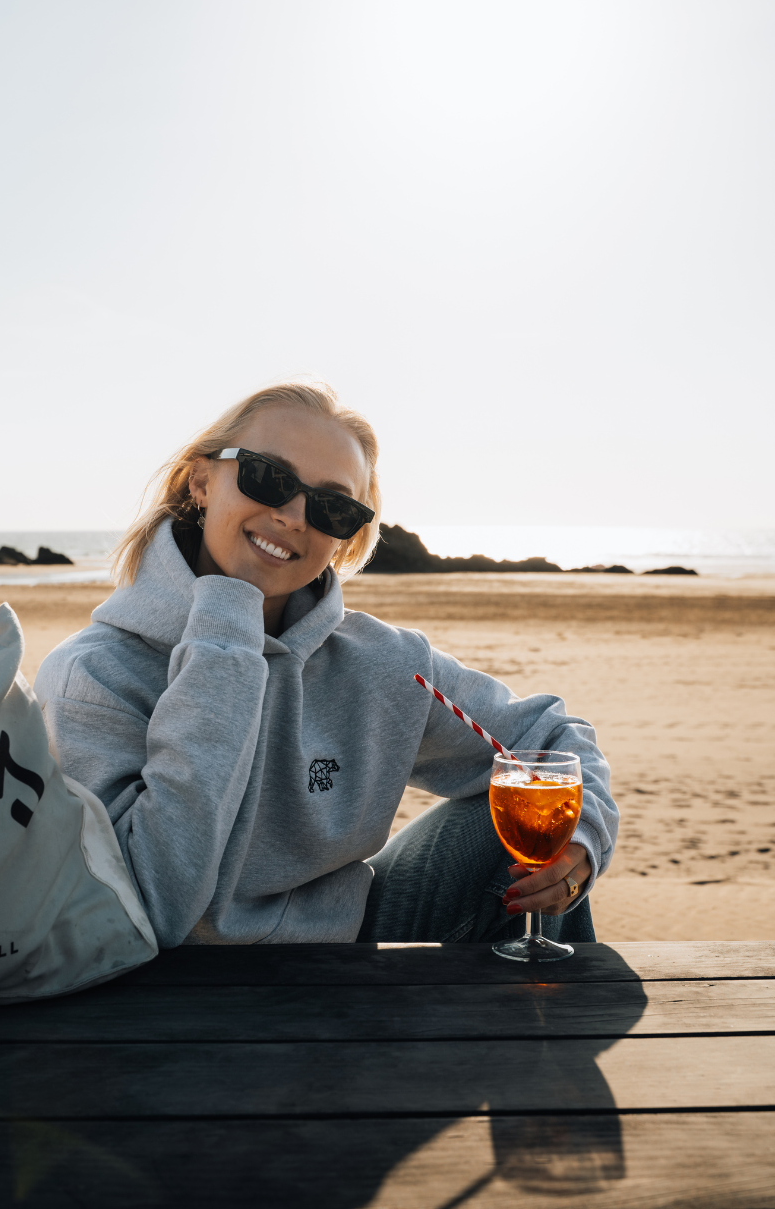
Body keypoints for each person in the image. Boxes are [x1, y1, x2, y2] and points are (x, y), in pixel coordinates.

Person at [34, 381, 617, 948]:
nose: (293, 516)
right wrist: (226, 634)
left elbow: (549, 740)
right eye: (268, 477)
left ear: (345, 538)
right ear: (201, 481)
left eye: (332, 506)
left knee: (534, 817)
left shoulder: (383, 663)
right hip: (169, 990)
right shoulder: (93, 676)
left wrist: (580, 844)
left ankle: (555, 1037)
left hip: (343, 951)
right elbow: (150, 908)